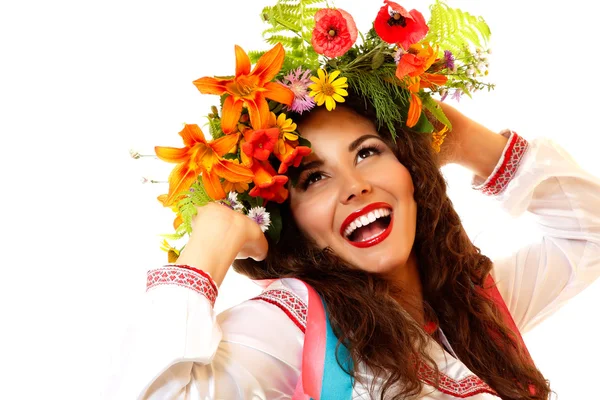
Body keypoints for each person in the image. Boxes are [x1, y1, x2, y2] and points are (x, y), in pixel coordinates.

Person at [111, 1, 600, 399]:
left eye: (367, 152)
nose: (353, 186)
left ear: (412, 172)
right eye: (314, 178)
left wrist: (473, 143)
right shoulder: (296, 322)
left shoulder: (474, 304)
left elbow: (590, 233)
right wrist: (206, 249)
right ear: (293, 222)